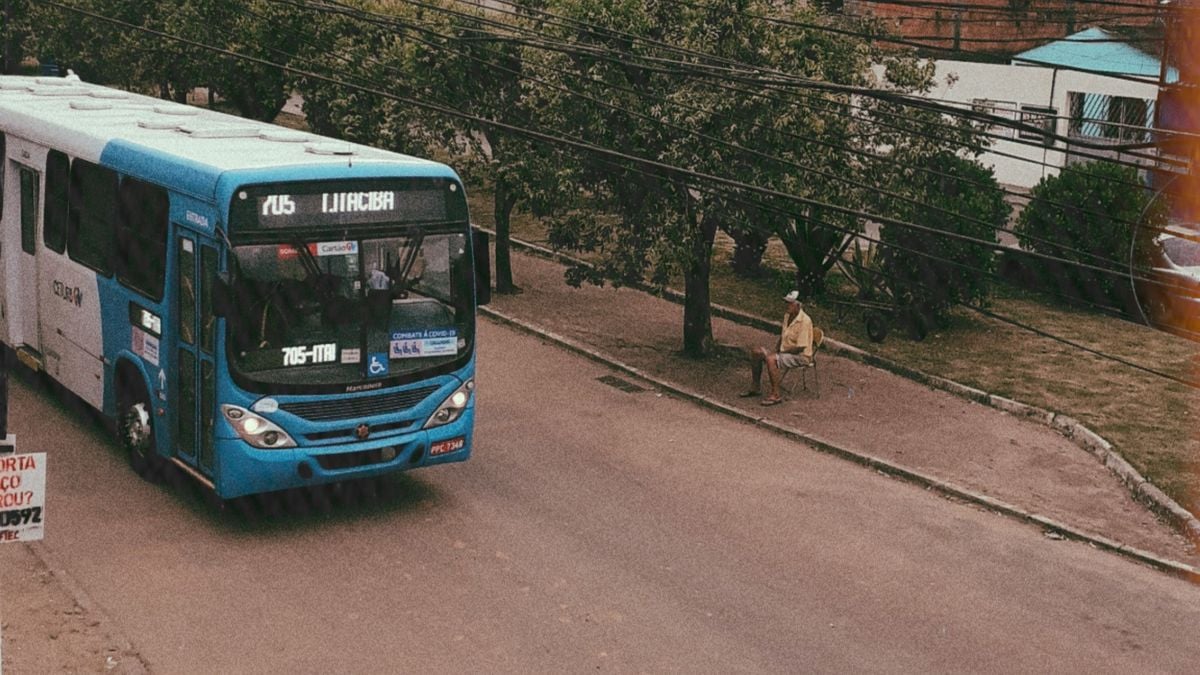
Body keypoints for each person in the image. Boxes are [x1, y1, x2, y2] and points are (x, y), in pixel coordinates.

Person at [740, 290, 813, 406]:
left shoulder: (805, 321)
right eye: (787, 303)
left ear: (798, 305)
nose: (787, 306)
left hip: (800, 356)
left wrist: (780, 353)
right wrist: (776, 349)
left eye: (790, 303)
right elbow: (783, 335)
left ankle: (776, 394)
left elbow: (800, 347)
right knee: (756, 352)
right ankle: (755, 387)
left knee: (771, 359)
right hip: (784, 351)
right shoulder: (787, 316)